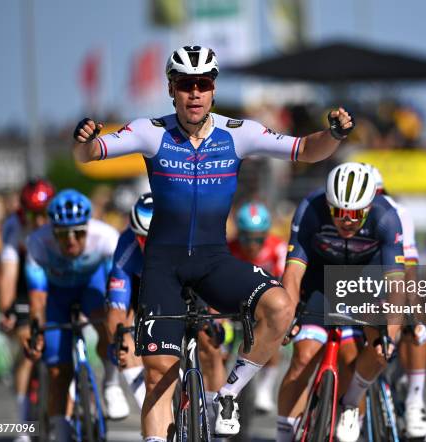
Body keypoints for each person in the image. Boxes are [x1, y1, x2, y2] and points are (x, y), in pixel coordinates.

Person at [72, 45, 354, 440]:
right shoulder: (151, 132)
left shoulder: (239, 134)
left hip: (213, 261)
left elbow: (306, 150)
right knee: (158, 377)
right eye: (186, 85)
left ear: (213, 88)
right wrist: (84, 141)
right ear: (172, 88)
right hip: (163, 267)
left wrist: (335, 134)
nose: (194, 93)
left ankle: (229, 393)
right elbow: (91, 154)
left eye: (202, 84)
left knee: (280, 307)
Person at [275, 162, 404, 442]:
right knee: (303, 356)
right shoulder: (311, 207)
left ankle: (350, 403)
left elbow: (396, 285)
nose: (347, 221)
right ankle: (283, 436)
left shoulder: (387, 217)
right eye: (339, 213)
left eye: (355, 214)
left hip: (364, 283)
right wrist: (288, 315)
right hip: (319, 282)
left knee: (373, 351)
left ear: (369, 208)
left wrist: (390, 335)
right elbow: (294, 273)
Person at [24, 189, 126, 441]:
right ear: (52, 231)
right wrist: (37, 329)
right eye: (62, 235)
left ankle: (111, 384)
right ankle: (60, 429)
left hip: (91, 286)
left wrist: (120, 317)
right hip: (57, 295)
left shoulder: (105, 237)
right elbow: (38, 298)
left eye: (78, 233)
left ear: (88, 228)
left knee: (108, 327)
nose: (71, 241)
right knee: (58, 370)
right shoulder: (37, 242)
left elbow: (119, 284)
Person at [370, 165, 426, 440]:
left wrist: (413, 310)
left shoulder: (397, 212)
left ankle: (415, 402)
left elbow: (409, 267)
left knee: (413, 327)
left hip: (390, 280)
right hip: (357, 283)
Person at [0, 178, 55, 437]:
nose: (40, 221)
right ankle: (23, 425)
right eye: (34, 215)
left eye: (44, 214)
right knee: (26, 341)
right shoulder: (13, 226)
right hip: (24, 283)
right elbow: (8, 274)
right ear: (23, 212)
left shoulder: (60, 221)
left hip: (55, 279)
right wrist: (7, 310)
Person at [229, 202, 287, 413]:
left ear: (266, 235)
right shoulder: (229, 248)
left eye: (258, 238)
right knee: (219, 344)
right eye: (246, 237)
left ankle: (265, 387)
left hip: (262, 305)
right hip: (233, 305)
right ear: (239, 234)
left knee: (272, 336)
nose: (252, 245)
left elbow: (285, 282)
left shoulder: (277, 248)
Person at [106, 192, 154, 410]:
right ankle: (150, 408)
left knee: (208, 342)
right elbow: (117, 308)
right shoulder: (126, 245)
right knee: (121, 340)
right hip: (139, 288)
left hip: (179, 281)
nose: (147, 244)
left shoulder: (186, 237)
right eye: (141, 238)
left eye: (153, 237)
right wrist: (120, 338)